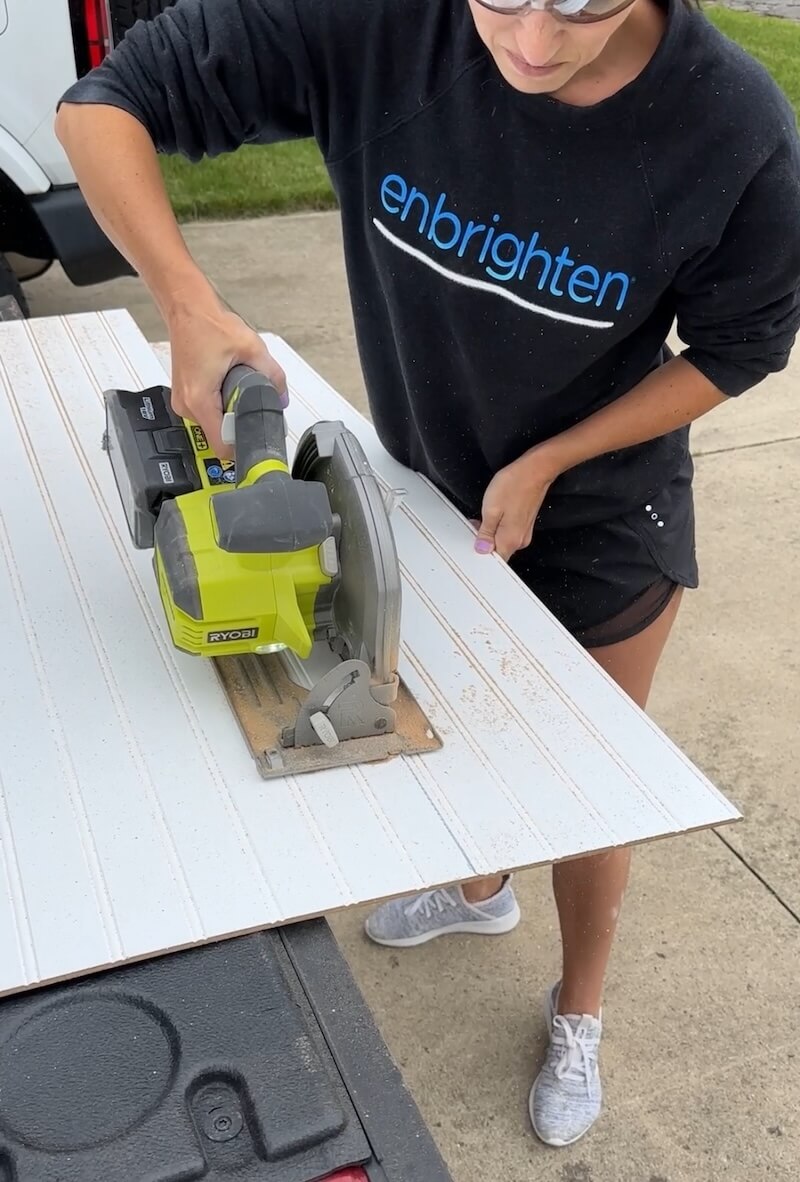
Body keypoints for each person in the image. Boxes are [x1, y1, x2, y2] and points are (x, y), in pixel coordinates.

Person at [55, 0, 800, 1147]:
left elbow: (741, 347)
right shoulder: (373, 23)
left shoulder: (730, 127)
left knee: (583, 786)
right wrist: (187, 304)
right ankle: (476, 891)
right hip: (425, 477)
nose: (536, 47)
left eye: (585, 8)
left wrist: (553, 458)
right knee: (460, 738)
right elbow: (103, 104)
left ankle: (577, 1006)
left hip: (601, 505)